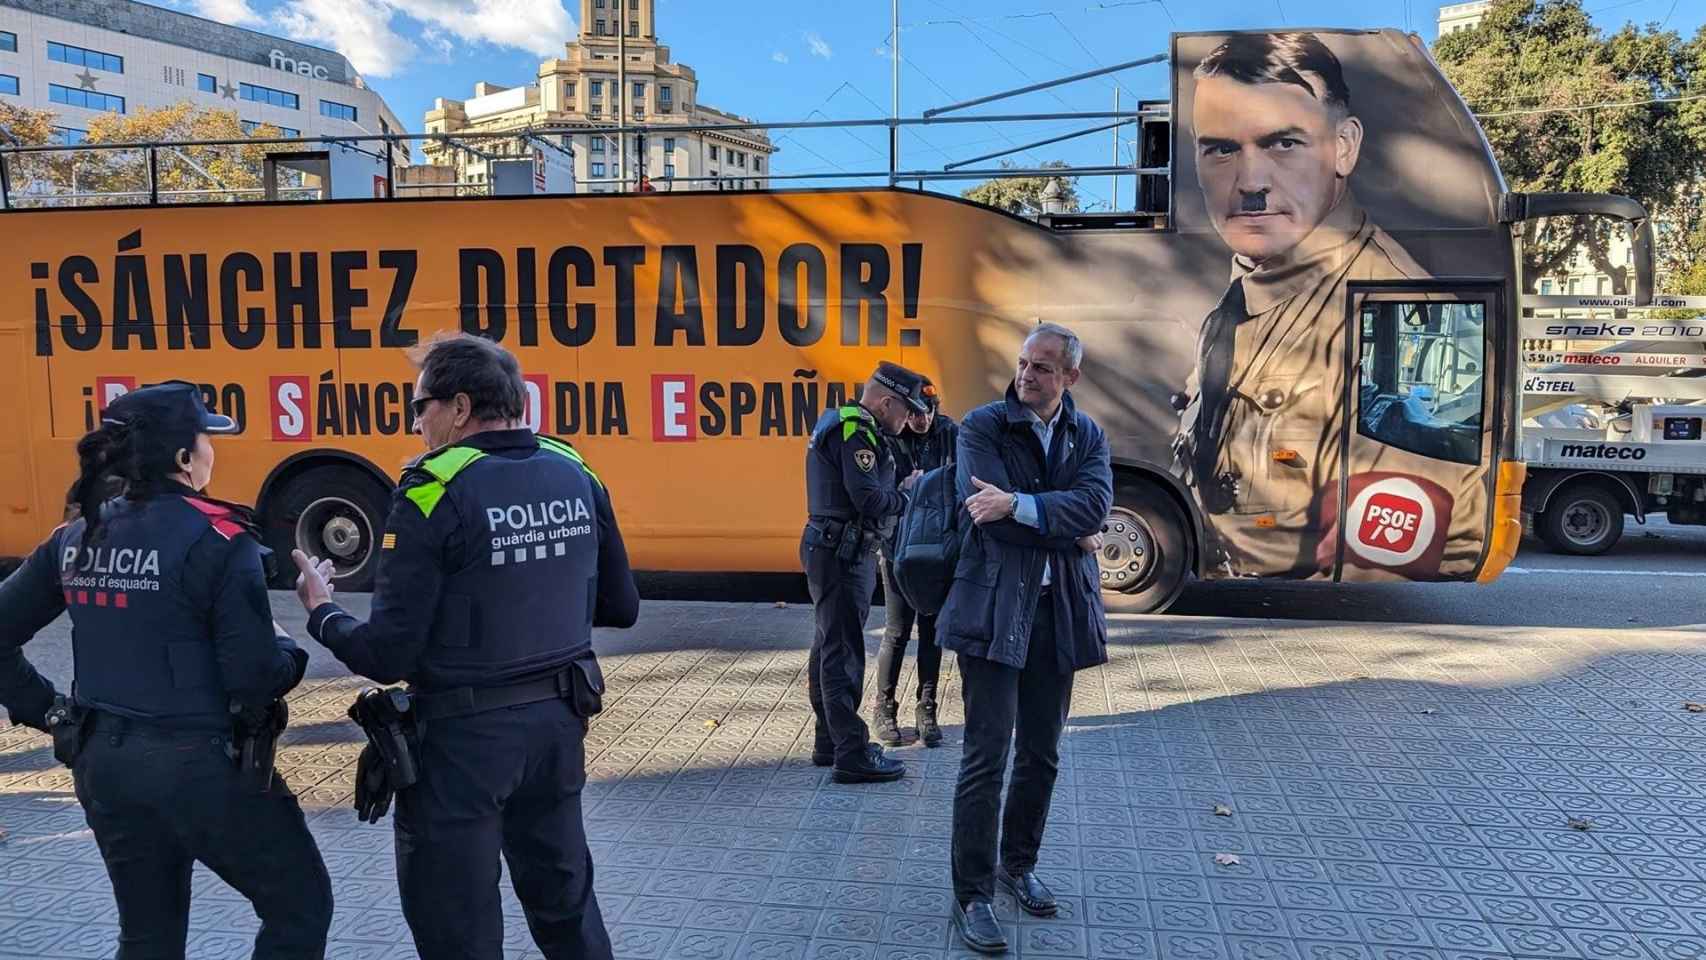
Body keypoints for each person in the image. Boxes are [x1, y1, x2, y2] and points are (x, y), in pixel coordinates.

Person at [291, 333, 639, 960]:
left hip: (461, 746)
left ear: (457, 407)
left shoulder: (432, 488)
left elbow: (387, 654)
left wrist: (323, 612)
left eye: (418, 407)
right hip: (559, 727)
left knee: (459, 930)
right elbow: (622, 606)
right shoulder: (574, 469)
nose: (417, 423)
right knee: (567, 911)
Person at [0, 381, 332, 959]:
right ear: (184, 458)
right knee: (300, 904)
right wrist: (288, 642)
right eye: (207, 438)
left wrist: (52, 714)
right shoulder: (221, 540)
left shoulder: (76, 537)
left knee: (148, 934)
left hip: (105, 766)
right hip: (203, 769)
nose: (212, 450)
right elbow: (254, 679)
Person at [1172, 32, 1480, 579]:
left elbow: (1434, 515)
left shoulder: (1397, 298)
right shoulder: (1246, 290)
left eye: (1283, 143)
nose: (1250, 183)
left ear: (1344, 146)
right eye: (1221, 148)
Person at [937, 324, 1113, 955]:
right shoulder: (983, 427)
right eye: (1022, 363)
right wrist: (1060, 523)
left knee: (1042, 753)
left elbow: (1097, 507)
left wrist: (1020, 505)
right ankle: (973, 894)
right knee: (986, 757)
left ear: (1070, 376)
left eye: (1042, 366)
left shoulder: (1086, 432)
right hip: (991, 610)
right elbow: (986, 519)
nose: (1026, 374)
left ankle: (1018, 864)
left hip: (1057, 613)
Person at [801, 360, 929, 783]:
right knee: (842, 651)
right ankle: (851, 754)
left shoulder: (846, 423)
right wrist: (906, 495)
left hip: (834, 547)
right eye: (905, 409)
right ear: (886, 401)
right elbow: (870, 499)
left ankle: (830, 741)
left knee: (829, 644)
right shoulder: (857, 430)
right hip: (842, 552)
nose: (909, 419)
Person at [872, 377, 958, 748]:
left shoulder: (950, 433)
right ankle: (884, 707)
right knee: (896, 631)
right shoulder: (890, 436)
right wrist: (906, 485)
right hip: (896, 548)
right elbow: (876, 489)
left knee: (932, 631)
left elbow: (962, 480)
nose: (921, 420)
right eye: (916, 413)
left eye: (928, 412)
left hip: (935, 551)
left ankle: (927, 708)